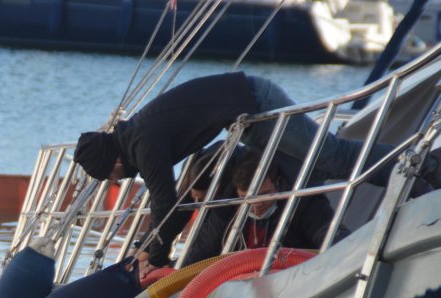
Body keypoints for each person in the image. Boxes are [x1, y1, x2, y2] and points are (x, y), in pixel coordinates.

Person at [73, 72, 440, 278]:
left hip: (257, 101)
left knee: (332, 158)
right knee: (308, 174)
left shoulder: (142, 141)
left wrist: (156, 252)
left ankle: (426, 166)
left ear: (112, 160)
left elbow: (164, 199)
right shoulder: (138, 136)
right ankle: (405, 192)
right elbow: (177, 203)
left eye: (110, 175)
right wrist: (148, 247)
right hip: (246, 117)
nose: (117, 182)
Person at [181, 148, 351, 265]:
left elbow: (331, 235)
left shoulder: (303, 201)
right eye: (246, 198)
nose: (256, 205)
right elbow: (202, 250)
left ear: (278, 184)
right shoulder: (227, 205)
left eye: (263, 195)